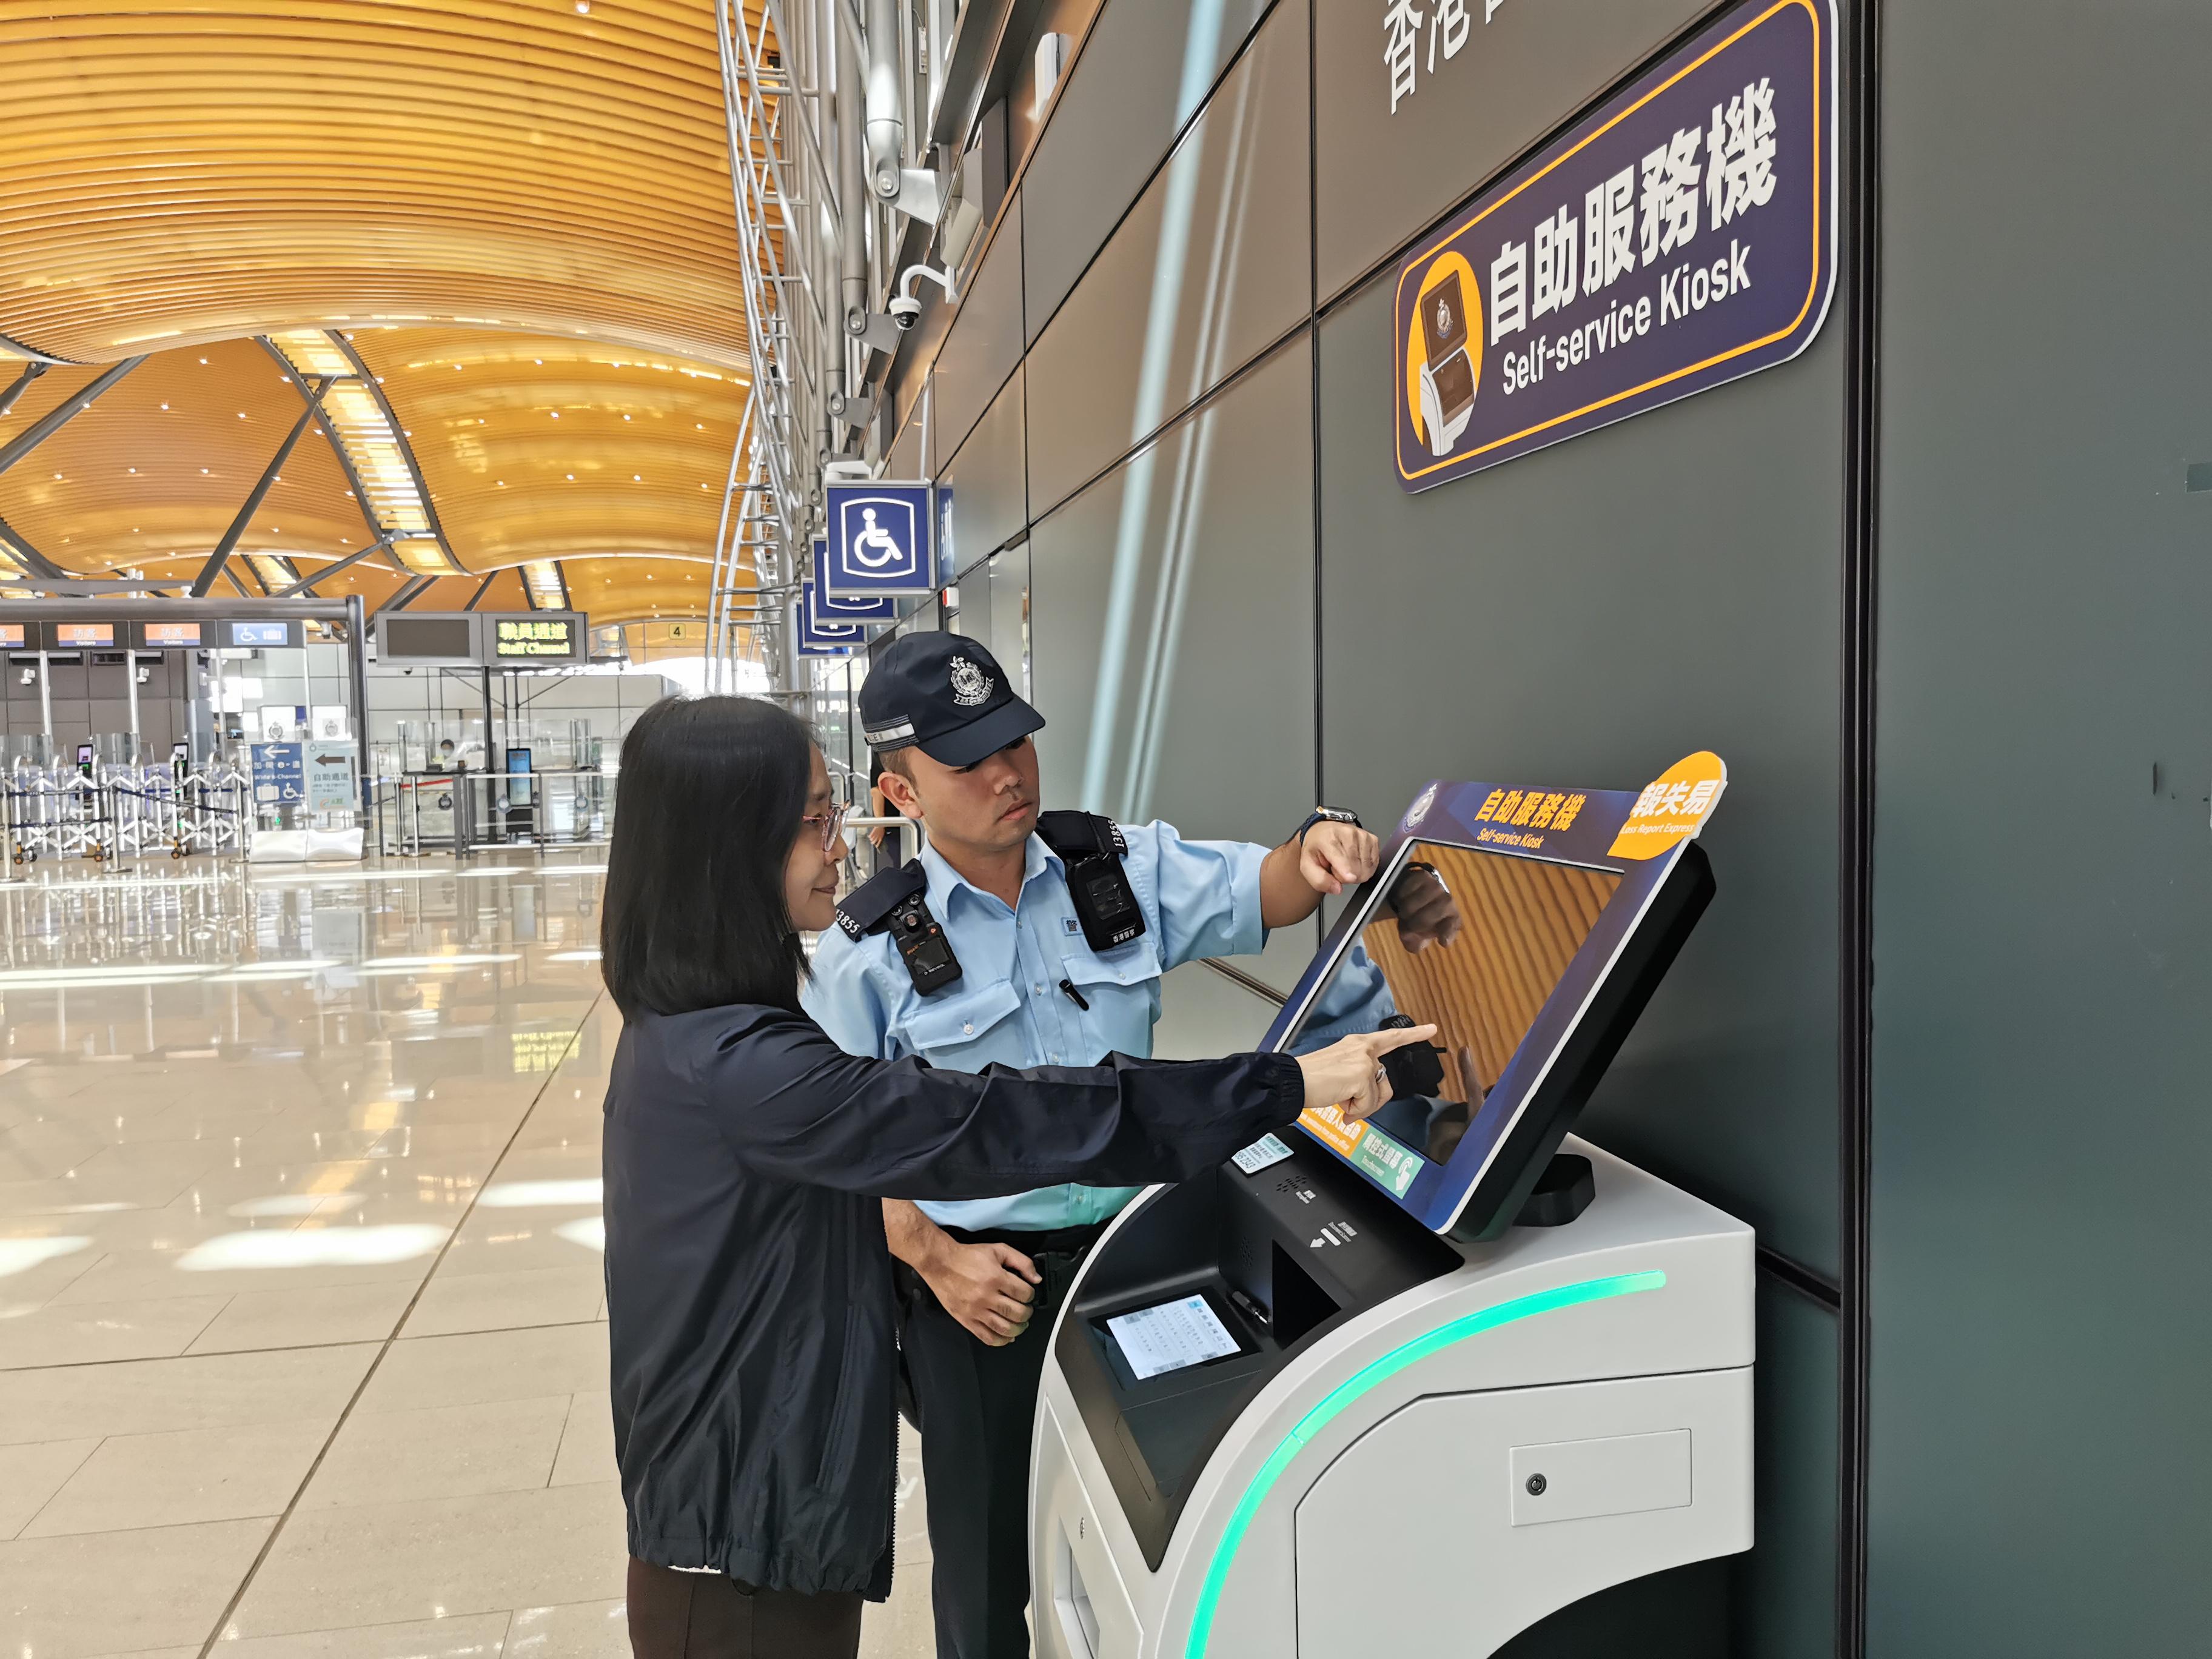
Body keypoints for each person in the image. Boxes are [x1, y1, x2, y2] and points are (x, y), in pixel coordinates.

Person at [598, 692, 1433, 1659]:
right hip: (742, 1538)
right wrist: (1286, 1084)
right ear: (730, 847)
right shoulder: (747, 1066)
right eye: (815, 820)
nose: (839, 846)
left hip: (761, 1505)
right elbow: (993, 1120)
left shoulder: (709, 1035)